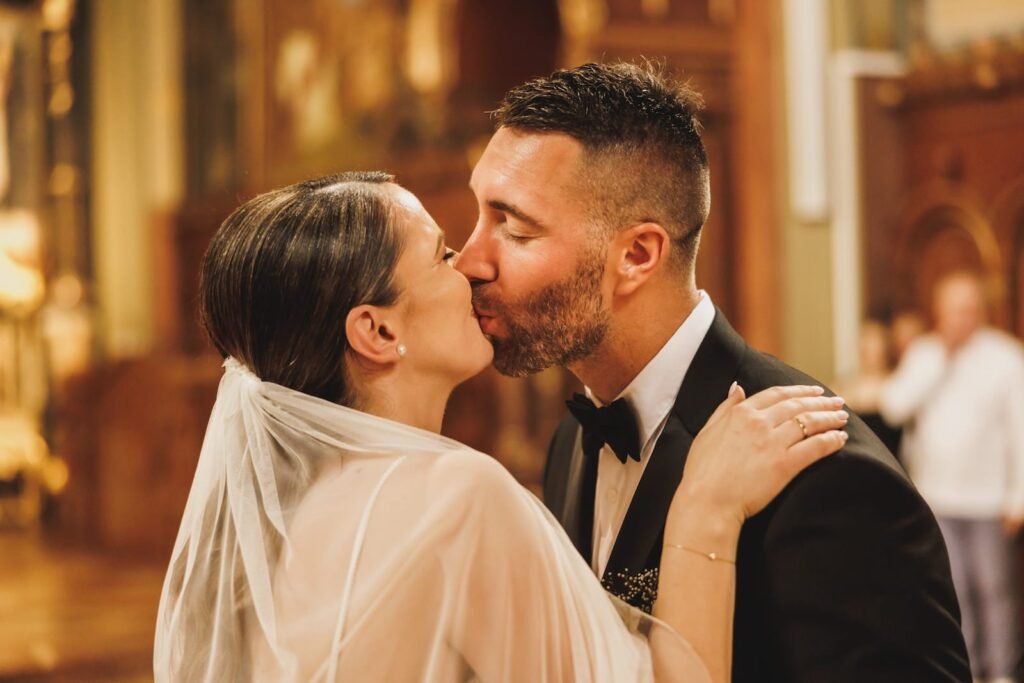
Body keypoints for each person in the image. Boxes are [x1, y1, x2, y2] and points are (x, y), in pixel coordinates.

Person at [154, 172, 849, 682]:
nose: (472, 267)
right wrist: (707, 509)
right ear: (377, 330)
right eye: (441, 254)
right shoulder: (457, 499)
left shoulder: (282, 521)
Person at [455, 61, 971, 681]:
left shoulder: (826, 477)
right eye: (478, 216)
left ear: (637, 255)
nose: (469, 261)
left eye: (513, 228)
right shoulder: (574, 440)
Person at [881, 271, 1024, 683]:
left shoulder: (1006, 357)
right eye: (952, 310)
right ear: (939, 312)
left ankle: (1002, 674)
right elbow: (894, 407)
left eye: (967, 309)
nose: (960, 318)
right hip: (938, 497)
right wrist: (940, 361)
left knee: (995, 591)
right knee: (953, 592)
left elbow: (1020, 429)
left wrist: (1018, 496)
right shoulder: (925, 354)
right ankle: (969, 672)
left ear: (980, 310)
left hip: (990, 501)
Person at [832, 320, 902, 457]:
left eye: (872, 343)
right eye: (864, 342)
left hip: (887, 456)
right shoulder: (846, 384)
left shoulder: (895, 383)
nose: (866, 348)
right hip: (853, 455)